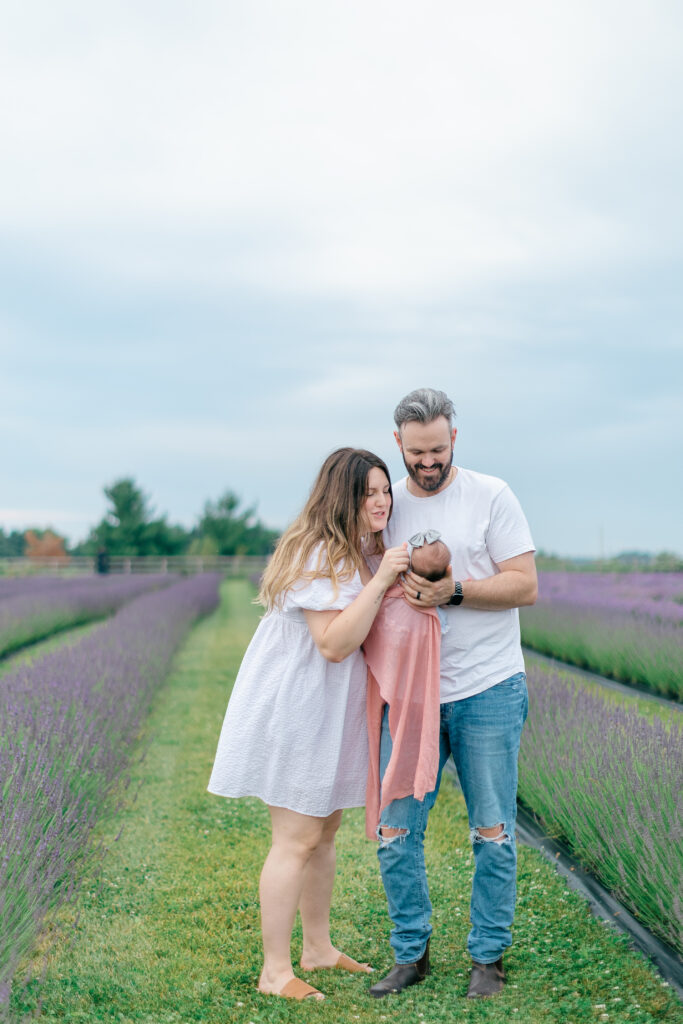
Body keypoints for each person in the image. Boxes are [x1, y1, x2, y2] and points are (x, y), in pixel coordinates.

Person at [208, 448, 410, 1002]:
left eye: (385, 490)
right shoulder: (321, 552)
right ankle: (274, 972)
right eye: (369, 492)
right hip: (299, 710)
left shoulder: (357, 550)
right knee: (295, 840)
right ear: (342, 497)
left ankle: (317, 948)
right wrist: (385, 576)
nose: (382, 500)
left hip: (330, 711)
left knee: (323, 835)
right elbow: (333, 644)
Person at [368, 387, 537, 1000]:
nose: (428, 462)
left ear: (454, 440)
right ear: (398, 445)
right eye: (416, 453)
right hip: (411, 697)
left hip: (488, 687)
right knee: (393, 828)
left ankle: (487, 958)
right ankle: (410, 953)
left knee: (491, 829)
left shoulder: (492, 495)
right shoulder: (386, 507)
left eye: (438, 449)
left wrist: (454, 592)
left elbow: (525, 585)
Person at [363, 531, 451, 841]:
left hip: (396, 697)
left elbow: (373, 634)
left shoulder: (396, 600)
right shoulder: (434, 614)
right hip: (413, 698)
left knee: (395, 753)